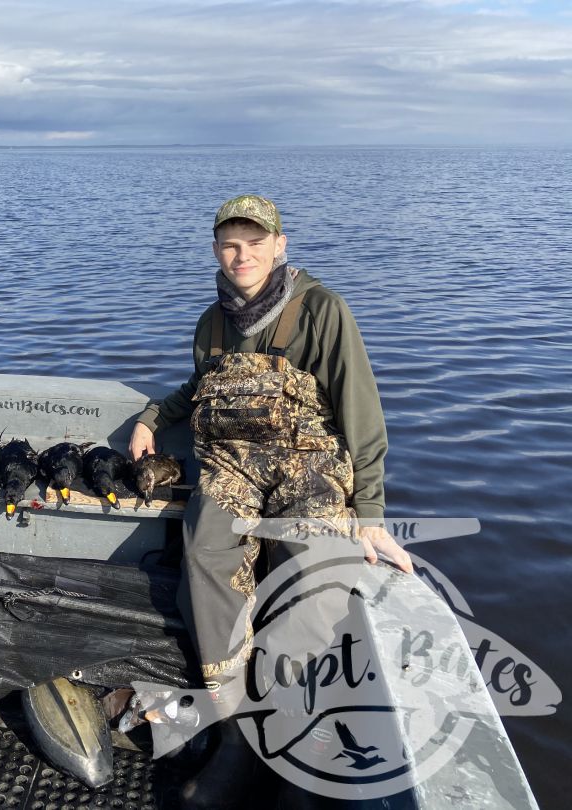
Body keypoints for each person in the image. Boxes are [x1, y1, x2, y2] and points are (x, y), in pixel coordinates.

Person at [128, 194, 413, 805]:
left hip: (309, 463)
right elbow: (198, 389)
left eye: (255, 243)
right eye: (231, 244)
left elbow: (362, 415)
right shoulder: (212, 321)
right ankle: (232, 717)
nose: (242, 255)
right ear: (216, 251)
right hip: (234, 464)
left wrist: (369, 515)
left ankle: (282, 709)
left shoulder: (323, 310)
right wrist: (154, 415)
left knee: (313, 561)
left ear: (279, 246)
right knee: (205, 549)